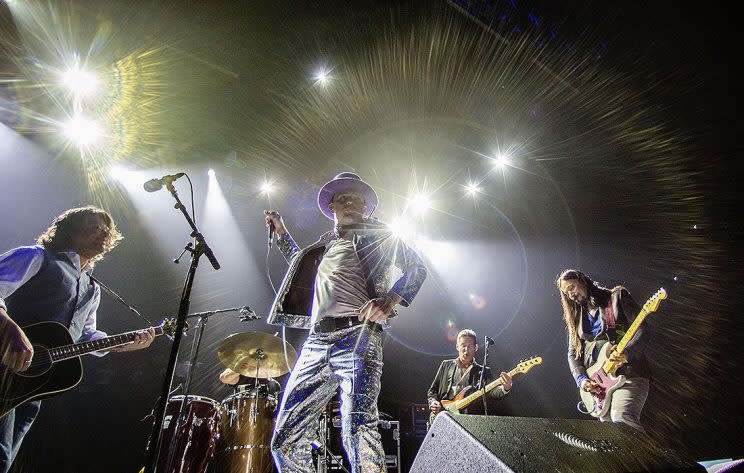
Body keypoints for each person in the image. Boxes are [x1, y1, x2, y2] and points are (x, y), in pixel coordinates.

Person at [265, 172, 427, 473]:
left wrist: (389, 300)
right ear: (332, 207)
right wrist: (282, 233)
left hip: (359, 337)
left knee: (357, 429)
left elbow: (417, 268)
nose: (351, 203)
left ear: (366, 208)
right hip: (316, 344)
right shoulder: (323, 246)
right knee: (285, 441)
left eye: (357, 200)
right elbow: (298, 264)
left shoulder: (381, 236)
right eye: (343, 199)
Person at [0, 206, 155, 473]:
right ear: (68, 230)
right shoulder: (36, 257)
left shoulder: (92, 288)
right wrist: (12, 330)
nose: (101, 234)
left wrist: (123, 344)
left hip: (30, 386)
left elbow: (84, 336)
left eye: (105, 231)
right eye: (92, 227)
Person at [556, 269, 650, 432]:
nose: (570, 295)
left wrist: (628, 352)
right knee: (611, 435)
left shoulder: (615, 298)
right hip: (600, 386)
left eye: (571, 288)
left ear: (582, 280)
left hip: (628, 375)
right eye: (566, 293)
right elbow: (573, 354)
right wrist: (582, 380)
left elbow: (643, 329)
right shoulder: (577, 318)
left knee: (622, 420)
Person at [427, 329, 512, 421]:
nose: (466, 350)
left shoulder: (484, 371)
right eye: (463, 346)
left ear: (475, 348)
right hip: (443, 416)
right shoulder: (446, 365)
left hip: (469, 421)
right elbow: (433, 391)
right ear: (457, 347)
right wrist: (434, 402)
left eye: (470, 346)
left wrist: (505, 388)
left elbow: (492, 392)